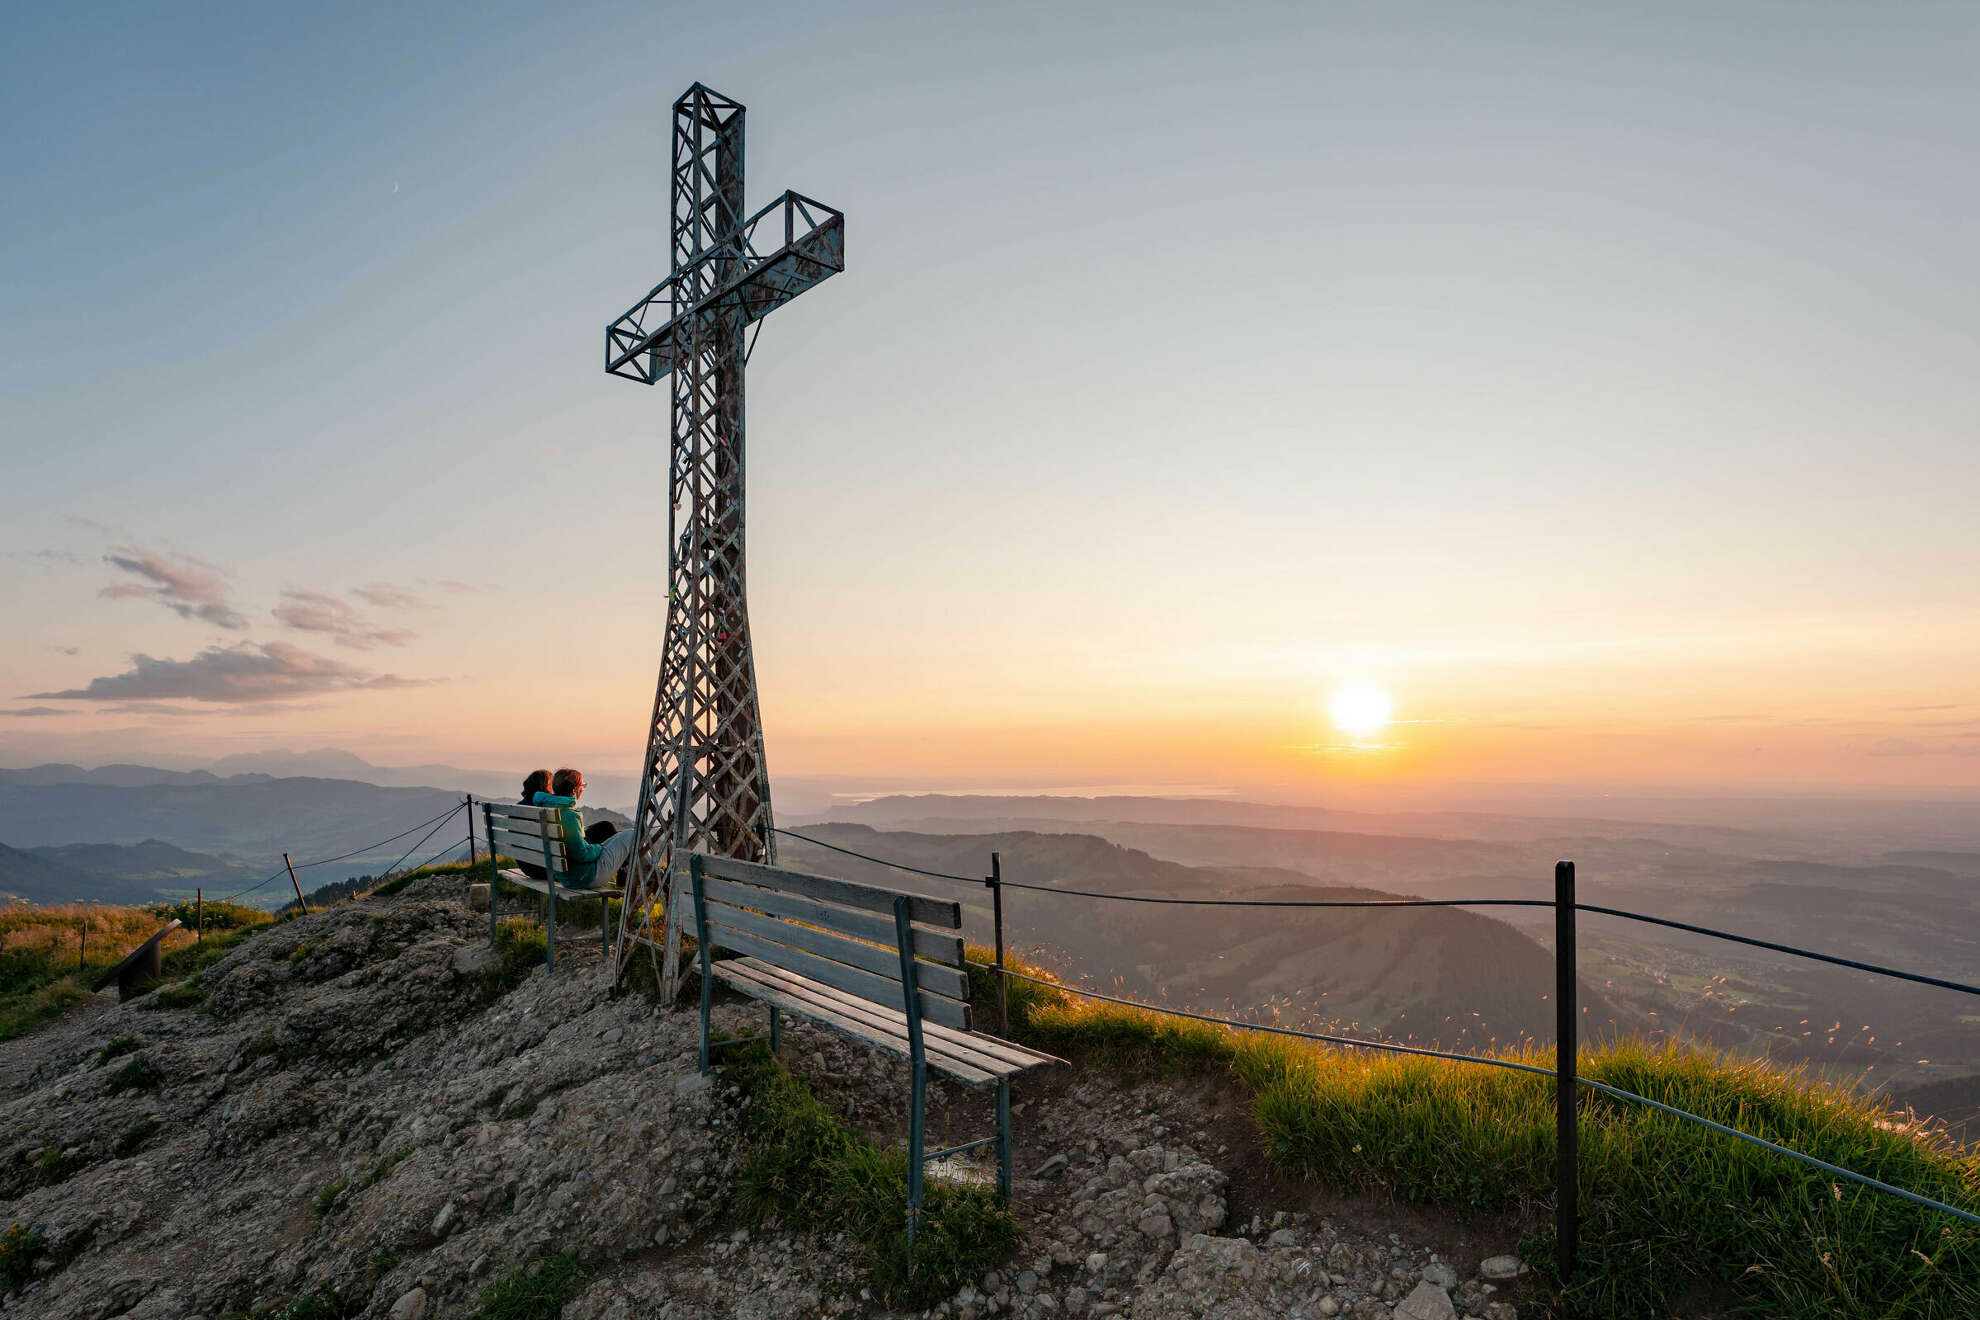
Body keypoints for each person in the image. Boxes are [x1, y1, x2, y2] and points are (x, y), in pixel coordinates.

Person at [530, 766, 635, 889]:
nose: (583, 788)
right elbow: (581, 854)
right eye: (582, 785)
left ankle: (650, 871)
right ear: (575, 790)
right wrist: (598, 848)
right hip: (585, 877)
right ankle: (652, 871)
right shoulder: (568, 815)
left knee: (613, 832)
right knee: (632, 834)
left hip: (566, 876)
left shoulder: (547, 809)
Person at [515, 769, 553, 880]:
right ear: (545, 787)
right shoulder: (545, 810)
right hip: (546, 868)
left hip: (526, 867)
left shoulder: (517, 808)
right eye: (551, 784)